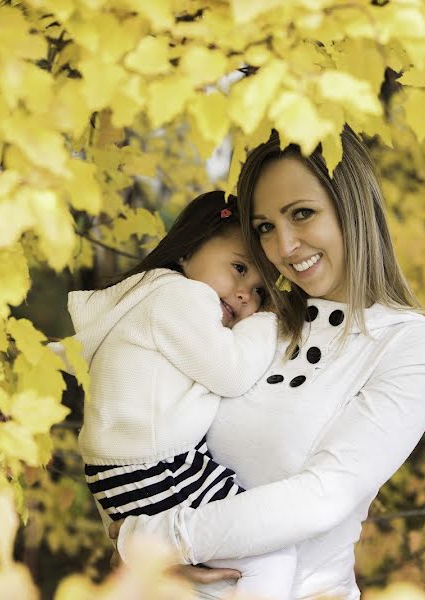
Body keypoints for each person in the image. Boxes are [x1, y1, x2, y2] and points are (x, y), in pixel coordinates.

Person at [108, 128, 425, 600]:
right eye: (266, 227)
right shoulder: (247, 318)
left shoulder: (410, 345)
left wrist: (154, 540)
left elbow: (323, 495)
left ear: (352, 206)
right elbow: (142, 428)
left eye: (302, 214)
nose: (284, 247)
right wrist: (139, 548)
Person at [56, 190, 297, 598]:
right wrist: (269, 321)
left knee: (213, 576)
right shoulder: (179, 295)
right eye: (239, 268)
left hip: (130, 471)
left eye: (259, 291)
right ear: (187, 249)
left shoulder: (145, 295)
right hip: (158, 468)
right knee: (269, 554)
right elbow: (233, 373)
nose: (245, 294)